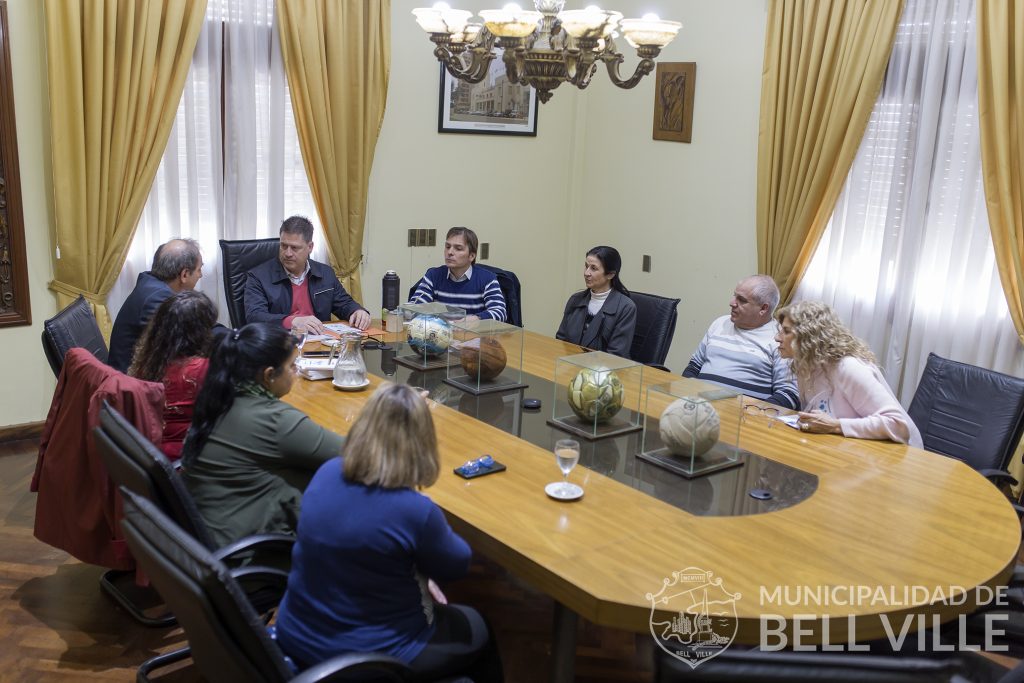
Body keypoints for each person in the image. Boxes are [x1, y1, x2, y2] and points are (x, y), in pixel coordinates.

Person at [274, 383, 502, 682]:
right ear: (422, 443)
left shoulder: (328, 471)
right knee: (478, 625)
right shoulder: (414, 510)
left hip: (295, 635)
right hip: (369, 657)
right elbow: (457, 563)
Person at [181, 322, 344, 546]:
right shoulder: (276, 421)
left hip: (210, 541)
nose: (296, 372)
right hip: (253, 555)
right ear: (269, 375)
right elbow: (355, 454)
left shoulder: (217, 399)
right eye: (292, 366)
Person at [775, 300, 923, 447]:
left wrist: (836, 426)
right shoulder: (805, 363)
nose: (777, 338)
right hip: (850, 449)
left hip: (900, 457)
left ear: (809, 336)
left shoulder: (848, 367)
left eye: (787, 331)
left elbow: (897, 425)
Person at [683, 275, 798, 409]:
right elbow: (694, 367)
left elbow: (789, 394)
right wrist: (686, 395)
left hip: (742, 419)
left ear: (763, 308)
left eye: (742, 300)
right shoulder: (720, 323)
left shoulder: (780, 338)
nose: (732, 303)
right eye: (734, 296)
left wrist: (752, 413)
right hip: (698, 406)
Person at [127, 291, 217, 461]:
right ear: (199, 332)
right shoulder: (201, 369)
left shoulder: (148, 360)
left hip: (155, 454)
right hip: (189, 458)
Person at [244, 215, 371, 334]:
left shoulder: (325, 273)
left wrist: (357, 311)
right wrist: (293, 321)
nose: (287, 253)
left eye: (294, 248)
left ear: (310, 247)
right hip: (279, 345)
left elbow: (344, 303)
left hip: (320, 344)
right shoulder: (258, 277)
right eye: (283, 246)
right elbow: (255, 316)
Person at [108, 238, 204, 372]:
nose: (201, 275)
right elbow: (186, 347)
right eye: (199, 270)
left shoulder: (152, 284)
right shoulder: (158, 299)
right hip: (134, 385)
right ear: (185, 274)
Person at [410, 227, 507, 322]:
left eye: (458, 248)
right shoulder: (433, 275)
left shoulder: (487, 279)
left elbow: (500, 313)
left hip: (473, 335)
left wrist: (476, 319)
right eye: (448, 247)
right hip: (440, 335)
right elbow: (415, 308)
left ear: (472, 256)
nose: (450, 252)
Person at [555, 246, 636, 357]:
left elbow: (616, 356)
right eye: (586, 266)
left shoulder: (626, 308)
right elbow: (560, 341)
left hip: (604, 372)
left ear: (611, 274)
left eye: (593, 268)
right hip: (569, 367)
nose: (586, 273)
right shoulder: (575, 300)